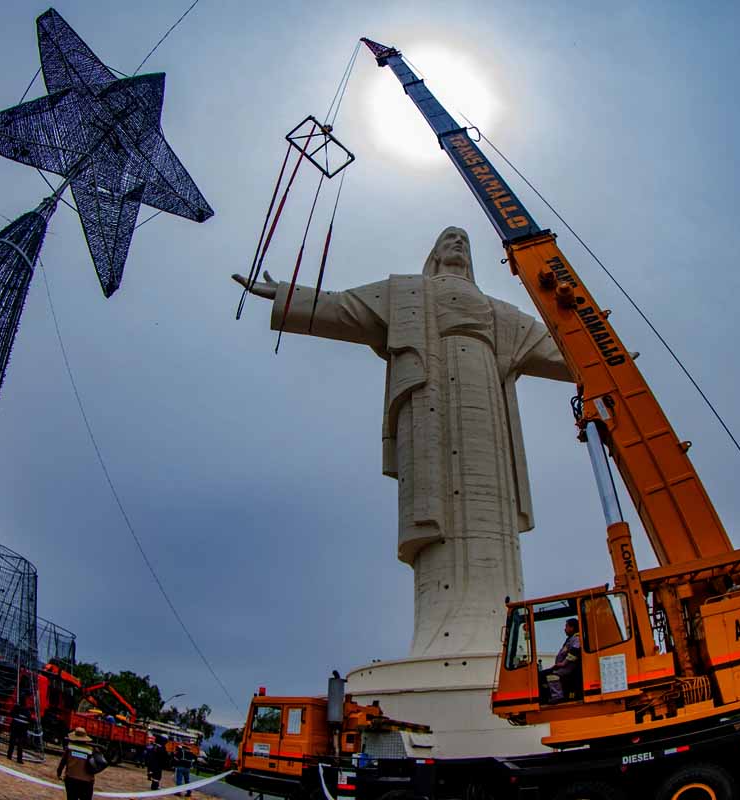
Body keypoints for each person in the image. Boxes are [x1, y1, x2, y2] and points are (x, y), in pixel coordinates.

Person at [233, 227, 571, 658]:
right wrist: (283, 294)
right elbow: (343, 308)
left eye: (464, 241)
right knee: (439, 509)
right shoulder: (408, 293)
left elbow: (559, 346)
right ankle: (445, 633)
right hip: (433, 399)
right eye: (449, 239)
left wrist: (604, 353)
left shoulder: (497, 312)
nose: (458, 244)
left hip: (486, 399)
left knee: (490, 506)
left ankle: (501, 638)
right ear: (433, 253)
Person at [539, 618, 581, 703]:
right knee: (541, 675)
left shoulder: (576, 638)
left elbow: (574, 652)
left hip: (567, 669)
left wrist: (563, 663)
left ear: (572, 627)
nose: (564, 629)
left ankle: (557, 696)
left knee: (551, 675)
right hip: (562, 668)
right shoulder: (571, 639)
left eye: (566, 626)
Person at [57, 727, 98, 800]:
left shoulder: (70, 747)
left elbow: (63, 762)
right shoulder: (90, 749)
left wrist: (59, 773)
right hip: (87, 782)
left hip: (71, 779)